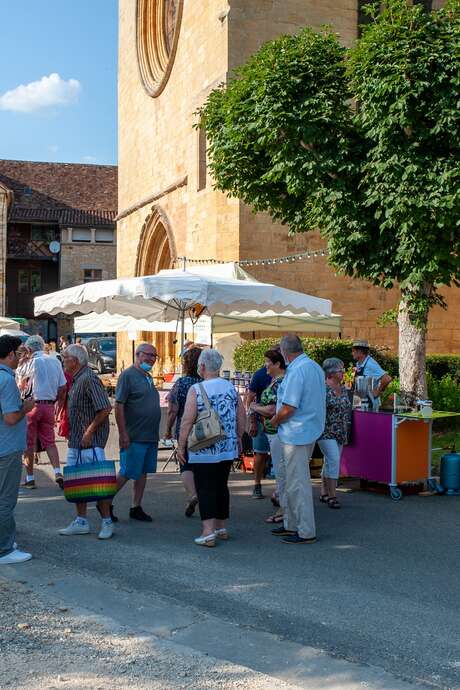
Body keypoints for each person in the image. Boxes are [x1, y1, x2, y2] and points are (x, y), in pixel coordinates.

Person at [177, 349, 246, 547]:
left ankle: (208, 531)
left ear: (203, 366)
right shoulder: (230, 387)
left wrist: (181, 446)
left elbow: (187, 420)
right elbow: (241, 414)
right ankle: (220, 526)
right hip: (227, 446)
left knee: (205, 487)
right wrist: (239, 437)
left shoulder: (197, 389)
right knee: (221, 485)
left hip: (203, 447)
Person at [269, 334, 325, 545]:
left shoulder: (297, 370)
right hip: (306, 430)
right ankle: (291, 524)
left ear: (284, 352)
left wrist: (274, 420)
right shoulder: (313, 367)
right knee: (292, 481)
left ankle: (305, 530)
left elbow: (289, 407)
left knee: (298, 483)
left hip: (296, 432)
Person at [58, 345, 113, 539]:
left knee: (100, 482)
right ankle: (81, 520)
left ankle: (107, 521)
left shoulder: (89, 378)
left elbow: (105, 408)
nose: (63, 361)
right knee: (76, 481)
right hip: (77, 440)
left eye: (65, 358)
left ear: (76, 360)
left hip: (91, 440)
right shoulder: (79, 378)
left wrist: (89, 432)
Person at [113, 342, 161, 522]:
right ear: (137, 354)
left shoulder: (147, 376)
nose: (151, 359)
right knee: (126, 472)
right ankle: (106, 503)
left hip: (149, 435)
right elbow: (119, 405)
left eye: (154, 356)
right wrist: (123, 433)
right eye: (147, 355)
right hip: (134, 435)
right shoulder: (127, 376)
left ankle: (136, 507)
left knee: (142, 472)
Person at [0, 336, 35, 564]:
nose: (21, 358)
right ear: (11, 354)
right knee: (6, 499)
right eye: (19, 354)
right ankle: (4, 550)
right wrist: (26, 407)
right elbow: (11, 417)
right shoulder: (6, 379)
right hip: (7, 447)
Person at [21, 335, 67, 489]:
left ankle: (30, 478)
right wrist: (58, 405)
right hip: (49, 405)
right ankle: (57, 472)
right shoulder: (55, 360)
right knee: (50, 441)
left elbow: (20, 384)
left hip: (32, 405)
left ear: (29, 349)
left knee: (28, 443)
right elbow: (63, 388)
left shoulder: (30, 362)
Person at [249, 349, 286, 524]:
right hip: (273, 433)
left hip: (278, 433)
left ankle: (283, 509)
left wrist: (255, 408)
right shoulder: (276, 381)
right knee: (278, 468)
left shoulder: (280, 383)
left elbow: (272, 410)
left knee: (281, 470)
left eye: (268, 362)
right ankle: (282, 503)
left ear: (278, 363)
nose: (265, 365)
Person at [165, 347, 202, 517]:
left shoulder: (181, 383)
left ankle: (192, 495)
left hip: (185, 429)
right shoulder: (206, 383)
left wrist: (167, 430)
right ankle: (201, 497)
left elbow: (172, 410)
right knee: (202, 467)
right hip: (207, 430)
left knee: (185, 465)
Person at [318, 358, 352, 510]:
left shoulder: (344, 388)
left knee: (329, 461)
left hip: (341, 431)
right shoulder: (323, 389)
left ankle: (324, 492)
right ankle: (333, 496)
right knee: (334, 460)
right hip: (325, 431)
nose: (343, 372)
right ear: (331, 373)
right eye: (340, 370)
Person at [245, 361, 272, 499]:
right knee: (260, 454)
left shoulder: (288, 373)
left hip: (282, 420)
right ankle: (256, 485)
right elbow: (249, 398)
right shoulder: (260, 374)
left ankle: (281, 489)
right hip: (262, 420)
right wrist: (252, 422)